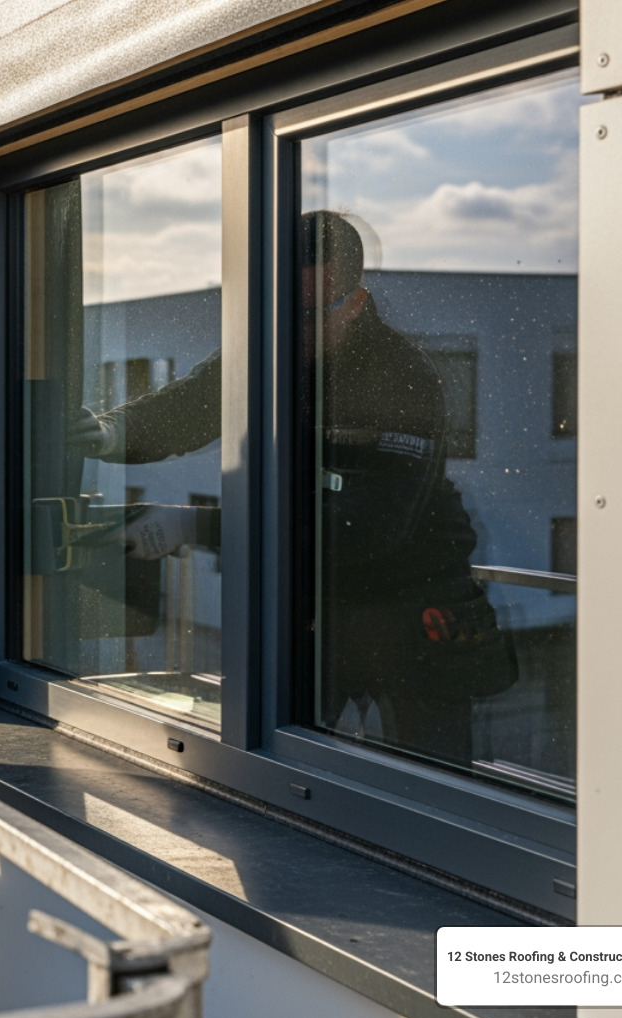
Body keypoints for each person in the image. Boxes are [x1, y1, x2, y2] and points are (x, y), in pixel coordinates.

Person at [69, 209, 512, 763]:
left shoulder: (403, 376)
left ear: (356, 301)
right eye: (279, 306)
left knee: (429, 783)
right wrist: (109, 433)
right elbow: (190, 405)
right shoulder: (269, 349)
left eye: (311, 312)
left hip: (412, 605)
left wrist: (195, 525)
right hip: (317, 598)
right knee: (284, 764)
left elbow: (367, 527)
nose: (291, 326)